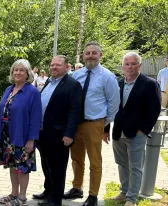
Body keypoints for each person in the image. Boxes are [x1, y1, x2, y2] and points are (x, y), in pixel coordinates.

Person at [64, 42, 120, 206]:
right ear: (83, 55)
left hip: (94, 123)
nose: (90, 56)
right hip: (76, 124)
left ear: (100, 55)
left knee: (95, 162)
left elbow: (114, 103)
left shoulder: (107, 77)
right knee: (76, 158)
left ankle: (93, 195)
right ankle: (77, 188)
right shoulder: (76, 75)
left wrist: (103, 123)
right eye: (87, 53)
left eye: (94, 53)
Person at [105, 52, 161, 206]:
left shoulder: (150, 83)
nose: (130, 67)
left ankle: (132, 199)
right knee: (122, 163)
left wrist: (143, 130)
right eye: (127, 64)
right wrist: (106, 129)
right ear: (122, 66)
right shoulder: (119, 83)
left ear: (140, 65)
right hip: (118, 132)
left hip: (137, 133)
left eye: (133, 63)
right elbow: (112, 108)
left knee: (136, 167)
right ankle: (124, 192)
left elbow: (154, 110)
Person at [33, 55, 82, 206]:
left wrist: (69, 133)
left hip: (59, 134)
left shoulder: (72, 84)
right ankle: (48, 191)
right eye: (52, 65)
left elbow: (75, 111)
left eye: (58, 65)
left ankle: (55, 199)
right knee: (46, 164)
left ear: (67, 68)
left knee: (57, 167)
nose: (54, 67)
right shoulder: (48, 81)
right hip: (43, 132)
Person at [0, 59, 41, 206]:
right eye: (15, 70)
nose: (18, 72)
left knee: (22, 167)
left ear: (28, 74)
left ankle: (22, 197)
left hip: (23, 136)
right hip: (7, 135)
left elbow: (36, 117)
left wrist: (31, 139)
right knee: (12, 165)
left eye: (22, 70)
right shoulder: (9, 89)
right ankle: (14, 193)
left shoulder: (32, 92)